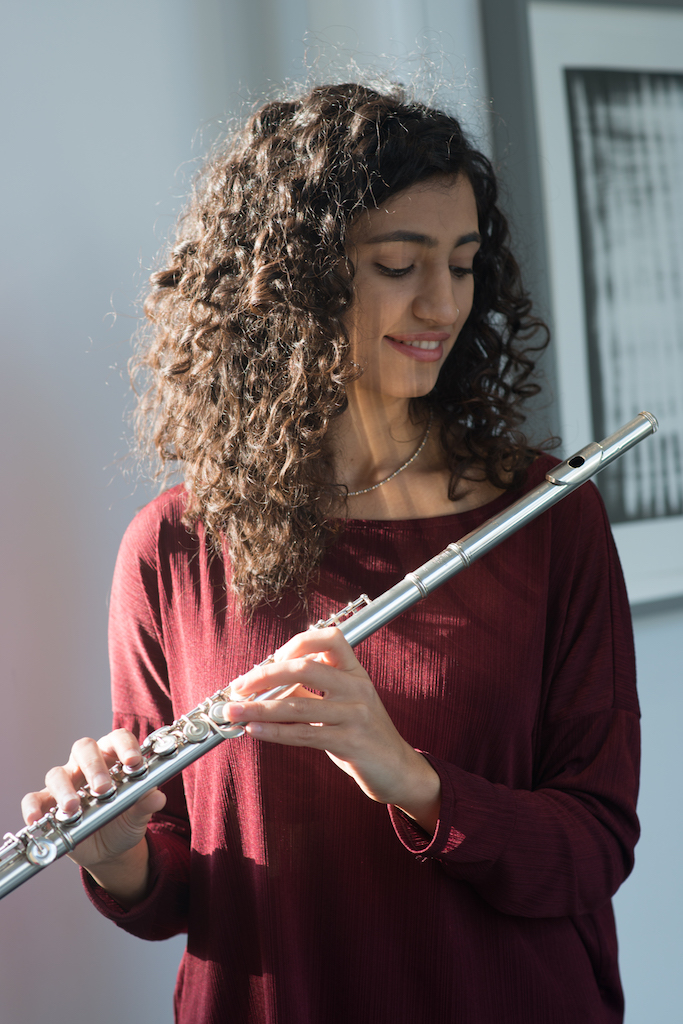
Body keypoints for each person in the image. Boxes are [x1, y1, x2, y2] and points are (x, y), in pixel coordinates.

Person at [21, 82, 639, 1023]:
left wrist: (410, 777)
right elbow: (180, 889)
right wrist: (116, 858)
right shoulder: (173, 546)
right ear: (294, 277)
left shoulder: (550, 517)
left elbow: (593, 848)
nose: (443, 303)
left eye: (463, 264)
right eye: (398, 264)